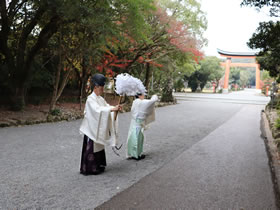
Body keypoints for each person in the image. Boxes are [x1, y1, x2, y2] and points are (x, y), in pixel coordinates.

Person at [79, 73, 122, 175]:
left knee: (99, 145)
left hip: (96, 127)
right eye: (101, 87)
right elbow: (97, 110)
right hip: (91, 128)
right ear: (96, 87)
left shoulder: (100, 99)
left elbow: (106, 107)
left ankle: (99, 165)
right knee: (93, 146)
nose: (102, 90)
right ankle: (90, 168)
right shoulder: (90, 99)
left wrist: (114, 108)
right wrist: (111, 109)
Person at [126, 93, 158, 160]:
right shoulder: (142, 102)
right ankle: (137, 155)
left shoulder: (135, 102)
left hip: (134, 122)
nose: (144, 96)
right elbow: (153, 100)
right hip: (139, 123)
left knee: (132, 138)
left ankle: (131, 153)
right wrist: (154, 95)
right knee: (138, 139)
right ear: (140, 95)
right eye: (143, 94)